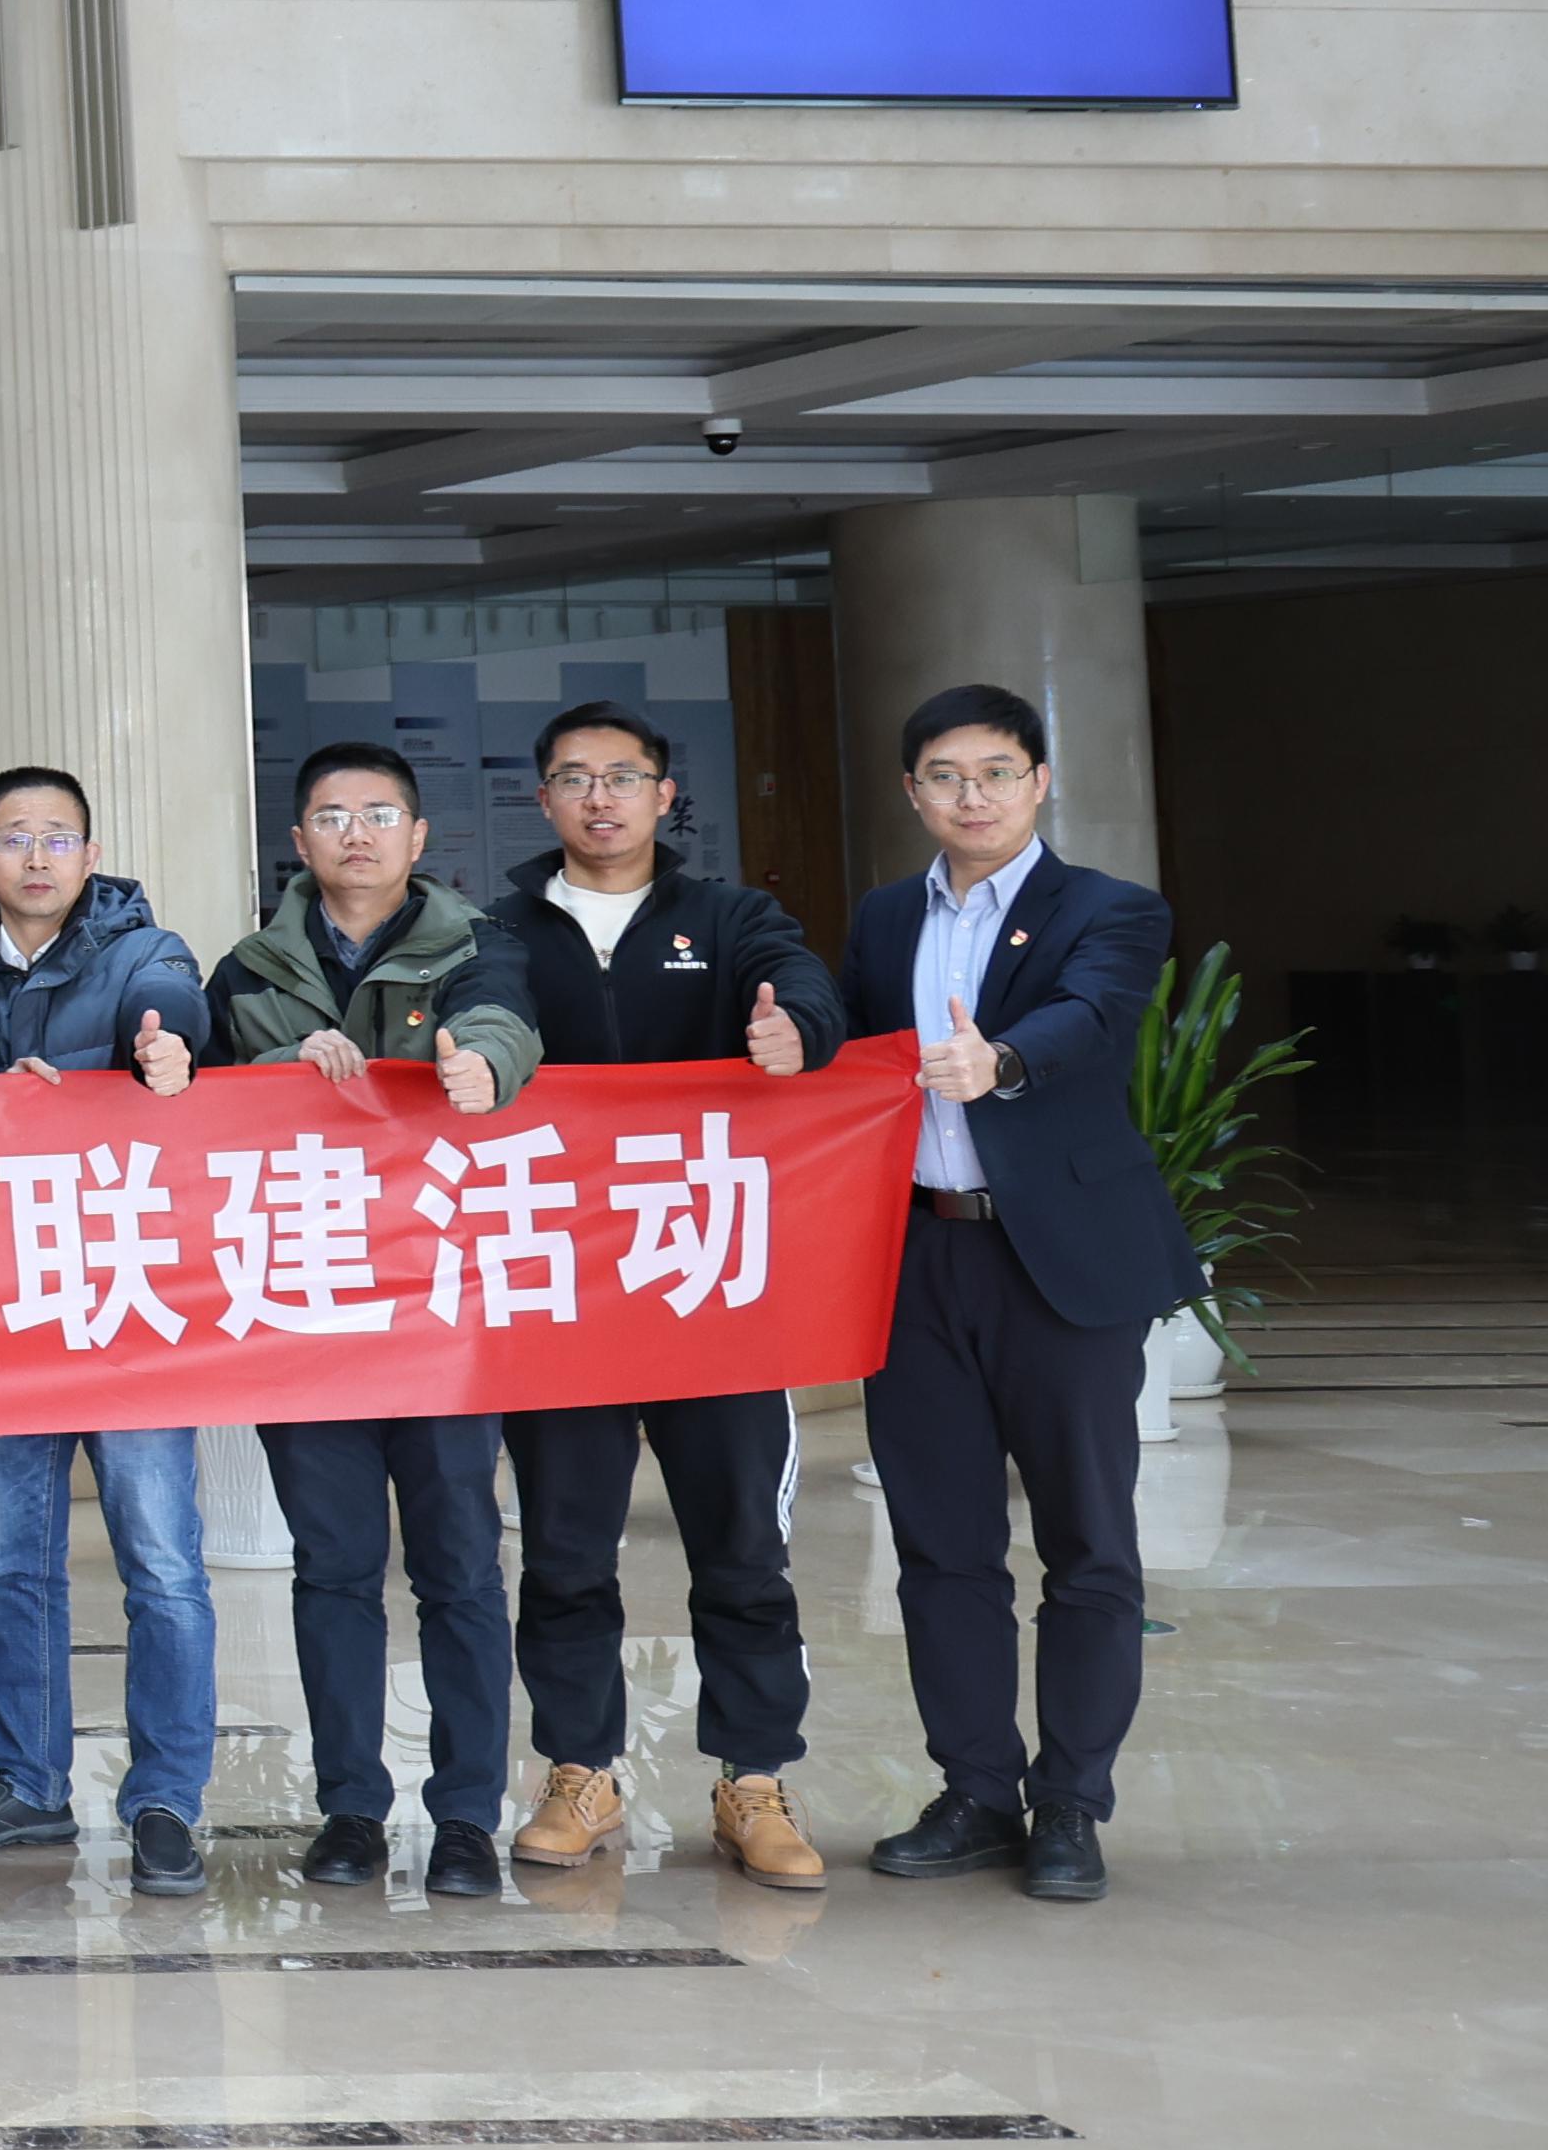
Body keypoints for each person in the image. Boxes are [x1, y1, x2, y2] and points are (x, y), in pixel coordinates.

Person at [836, 682, 1198, 1909]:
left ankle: (1073, 1803)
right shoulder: (889, 916)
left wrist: (1000, 1058)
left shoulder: (1110, 907)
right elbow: (855, 1049)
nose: (973, 795)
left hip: (1061, 1265)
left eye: (997, 772)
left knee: (1088, 1542)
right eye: (947, 775)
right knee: (941, 1546)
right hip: (919, 1259)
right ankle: (977, 1792)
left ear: (1040, 781)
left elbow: (1091, 1016)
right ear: (913, 792)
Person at [486, 702, 843, 1890]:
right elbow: (481, 1011)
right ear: (544, 797)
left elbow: (802, 983)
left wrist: (800, 1027)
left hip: (711, 1286)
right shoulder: (501, 927)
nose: (601, 797)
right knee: (564, 1552)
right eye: (575, 778)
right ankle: (579, 1771)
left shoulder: (729, 918)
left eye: (623, 776)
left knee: (743, 1552)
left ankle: (754, 1778)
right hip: (564, 1295)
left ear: (664, 794)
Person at [206, 738, 540, 1902]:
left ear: (419, 836)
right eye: (333, 815)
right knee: (335, 1570)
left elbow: (505, 1023)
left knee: (459, 1570)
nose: (357, 833)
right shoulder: (248, 970)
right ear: (300, 840)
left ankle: (466, 1815)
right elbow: (193, 1105)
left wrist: (481, 1066)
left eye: (380, 813)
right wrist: (275, 1065)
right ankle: (350, 1806)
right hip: (310, 1318)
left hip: (443, 1320)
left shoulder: (478, 946)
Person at [0, 764, 219, 1899]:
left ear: (91, 855)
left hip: (127, 1308)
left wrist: (152, 1055)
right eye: (15, 837)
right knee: (14, 1563)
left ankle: (166, 1797)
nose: (38, 856)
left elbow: (174, 1011)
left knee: (162, 1563)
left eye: (59, 836)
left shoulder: (142, 950)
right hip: (3, 1315)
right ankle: (31, 1780)